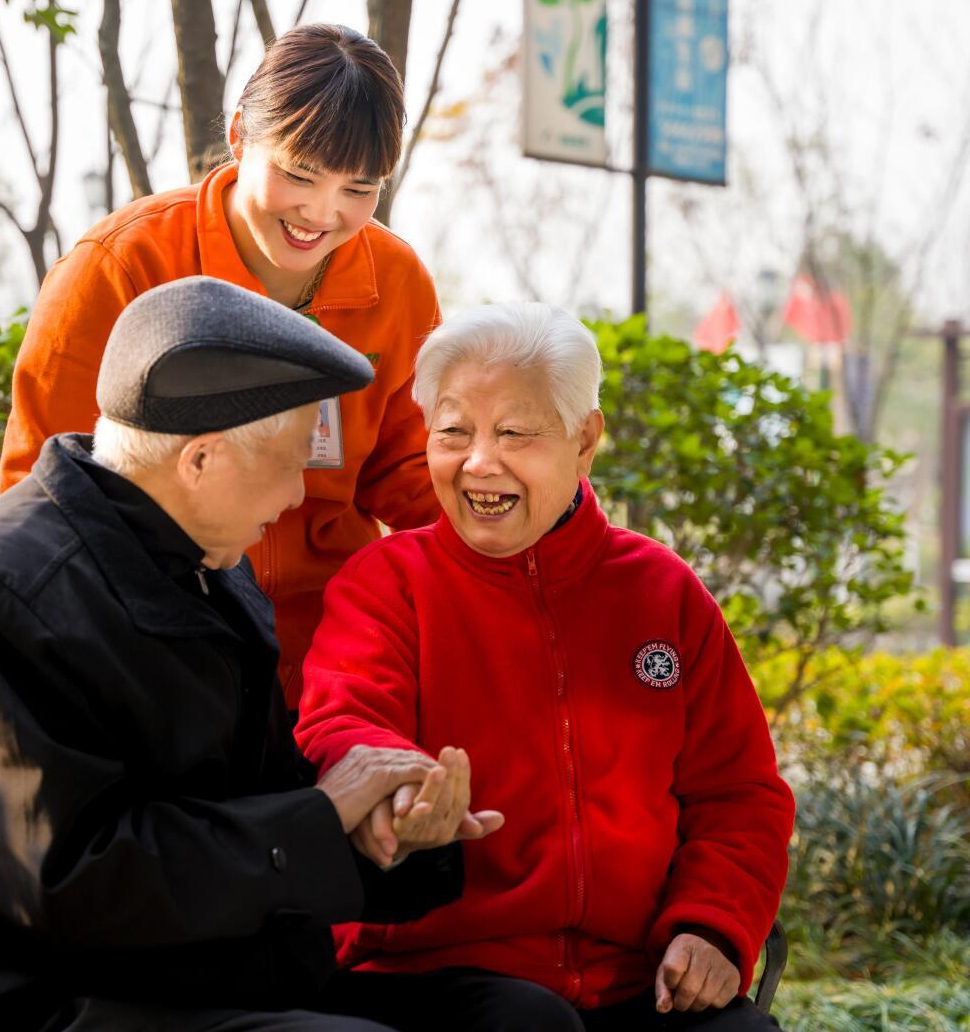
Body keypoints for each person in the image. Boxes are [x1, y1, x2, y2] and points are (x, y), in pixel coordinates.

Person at [0, 277, 530, 1032]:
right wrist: (316, 816)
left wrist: (390, 833)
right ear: (200, 460)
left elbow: (248, 800)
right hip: (44, 1001)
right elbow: (74, 884)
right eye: (290, 461)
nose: (302, 494)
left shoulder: (207, 561)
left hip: (212, 975)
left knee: (520, 1017)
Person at [295, 303, 797, 1031]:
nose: (478, 462)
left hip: (639, 973)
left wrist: (712, 926)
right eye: (453, 432)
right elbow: (344, 722)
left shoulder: (662, 591)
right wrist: (405, 794)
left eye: (514, 433)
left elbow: (741, 792)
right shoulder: (388, 583)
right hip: (434, 970)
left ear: (584, 440)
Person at [0, 24, 443, 708]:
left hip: (339, 669)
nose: (321, 213)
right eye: (298, 173)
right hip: (155, 661)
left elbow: (417, 479)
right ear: (239, 133)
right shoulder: (120, 268)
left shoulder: (397, 279)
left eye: (360, 187)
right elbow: (42, 493)